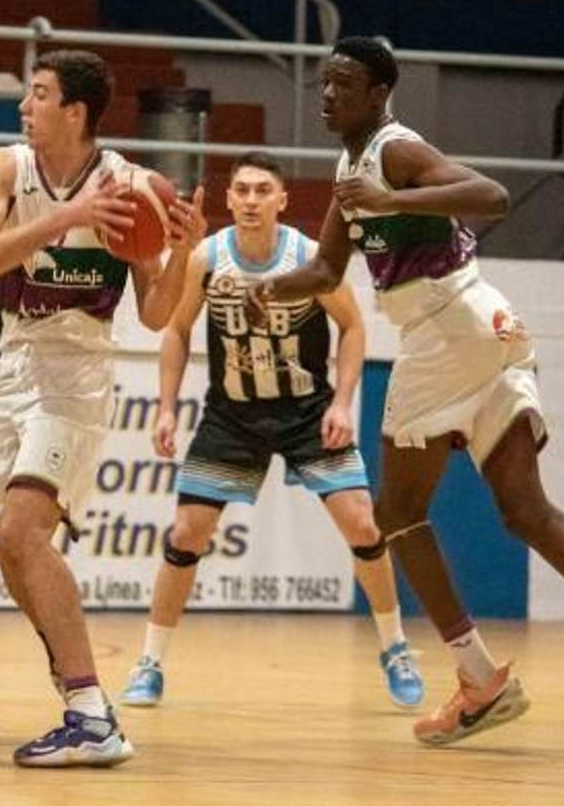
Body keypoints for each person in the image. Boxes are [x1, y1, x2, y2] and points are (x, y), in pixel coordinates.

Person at [250, 37, 564, 746]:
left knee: (396, 512)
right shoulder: (351, 168)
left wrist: (396, 194)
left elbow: (492, 195)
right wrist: (270, 288)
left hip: (445, 329)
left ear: (378, 94)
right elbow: (326, 269)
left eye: (343, 83)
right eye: (324, 82)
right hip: (484, 325)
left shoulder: (396, 151)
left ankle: (479, 680)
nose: (328, 94)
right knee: (525, 510)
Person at [0, 49, 206, 768]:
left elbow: (154, 315)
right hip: (11, 367)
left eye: (38, 95)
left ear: (77, 112)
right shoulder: (6, 168)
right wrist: (68, 215)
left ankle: (91, 714)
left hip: (78, 374)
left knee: (22, 533)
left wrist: (181, 255)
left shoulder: (131, 187)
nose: (24, 107)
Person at [119, 151, 424, 710]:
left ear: (282, 200)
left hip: (307, 410)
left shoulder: (309, 257)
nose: (252, 199)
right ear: (229, 199)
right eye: (242, 190)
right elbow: (177, 331)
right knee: (186, 533)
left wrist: (343, 403)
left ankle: (396, 648)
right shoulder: (206, 259)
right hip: (233, 413)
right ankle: (150, 663)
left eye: (263, 190)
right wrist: (165, 407)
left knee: (362, 522)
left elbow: (354, 327)